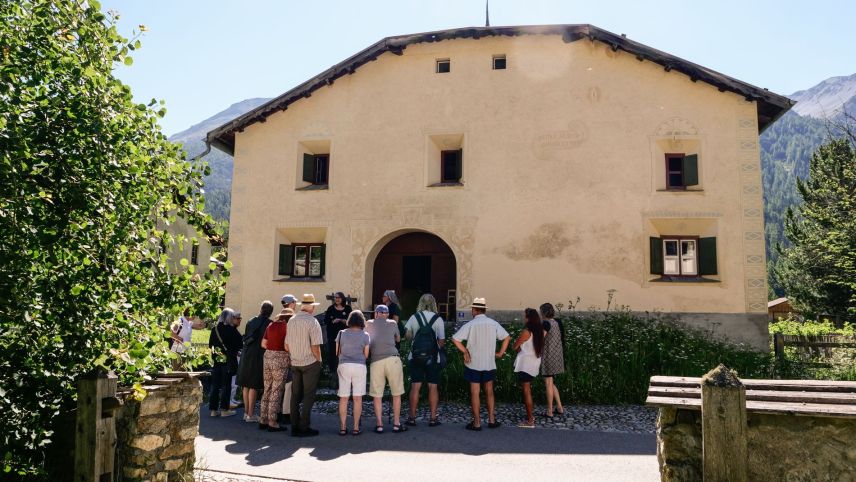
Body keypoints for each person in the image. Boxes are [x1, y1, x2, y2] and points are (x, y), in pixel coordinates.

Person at [451, 298, 510, 431]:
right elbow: (507, 337)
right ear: (484, 309)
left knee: (475, 393)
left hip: (473, 363)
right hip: (489, 362)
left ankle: (477, 422)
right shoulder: (493, 323)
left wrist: (465, 351)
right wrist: (500, 353)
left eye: (472, 308)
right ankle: (491, 419)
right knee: (489, 391)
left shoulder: (471, 324)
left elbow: (455, 339)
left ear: (474, 310)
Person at [284, 294, 323, 437]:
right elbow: (315, 347)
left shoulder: (291, 321)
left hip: (295, 362)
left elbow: (286, 346)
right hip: (309, 362)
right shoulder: (313, 322)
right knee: (308, 395)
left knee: (295, 395)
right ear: (311, 307)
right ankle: (304, 426)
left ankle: (294, 426)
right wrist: (319, 361)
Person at [404, 294, 445, 426]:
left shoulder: (413, 317)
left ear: (420, 303)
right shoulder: (438, 319)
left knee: (415, 386)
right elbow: (442, 341)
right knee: (433, 386)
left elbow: (408, 336)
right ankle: (433, 418)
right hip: (433, 358)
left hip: (415, 357)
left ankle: (412, 417)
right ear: (434, 303)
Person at [365, 304, 406, 433]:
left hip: (376, 360)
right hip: (393, 359)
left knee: (377, 395)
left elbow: (366, 339)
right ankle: (396, 424)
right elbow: (398, 339)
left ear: (376, 314)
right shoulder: (393, 323)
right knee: (396, 393)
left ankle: (379, 425)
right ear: (387, 314)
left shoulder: (369, 323)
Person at [236, 301, 273, 422]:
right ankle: (250, 414)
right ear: (270, 311)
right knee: (253, 385)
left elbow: (246, 336)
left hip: (247, 353)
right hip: (258, 355)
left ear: (261, 309)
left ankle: (246, 413)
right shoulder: (269, 324)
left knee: (246, 384)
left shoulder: (251, 321)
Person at [335, 310, 370, 435]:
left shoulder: (341, 333)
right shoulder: (365, 335)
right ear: (361, 321)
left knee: (343, 398)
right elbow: (366, 355)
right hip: (359, 366)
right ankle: (356, 427)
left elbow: (337, 353)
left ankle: (343, 427)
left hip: (344, 365)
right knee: (357, 398)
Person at [259, 308, 292, 431]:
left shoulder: (271, 325)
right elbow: (286, 346)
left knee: (267, 388)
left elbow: (263, 344)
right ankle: (272, 422)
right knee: (276, 390)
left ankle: (263, 419)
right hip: (280, 357)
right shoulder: (287, 327)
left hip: (267, 356)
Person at [513, 308, 545, 428]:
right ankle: (530, 415)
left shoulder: (526, 332)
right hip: (534, 362)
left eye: (525, 316)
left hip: (525, 364)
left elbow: (515, 346)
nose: (524, 318)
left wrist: (520, 349)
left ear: (529, 318)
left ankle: (530, 420)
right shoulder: (539, 331)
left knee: (526, 392)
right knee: (528, 390)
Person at [208, 308, 243, 417]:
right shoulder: (232, 330)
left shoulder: (215, 329)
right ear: (229, 318)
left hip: (217, 359)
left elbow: (210, 345)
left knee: (215, 385)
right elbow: (239, 345)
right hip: (228, 361)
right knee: (226, 385)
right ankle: (224, 409)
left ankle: (213, 410)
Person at [539, 303, 565, 417]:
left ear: (544, 313)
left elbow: (540, 339)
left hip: (548, 355)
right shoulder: (558, 322)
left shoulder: (545, 323)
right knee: (551, 382)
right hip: (557, 355)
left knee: (548, 383)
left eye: (540, 312)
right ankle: (559, 407)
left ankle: (549, 411)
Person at [324, 292, 352, 389]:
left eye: (339, 298)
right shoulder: (331, 309)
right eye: (336, 298)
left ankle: (345, 378)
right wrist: (333, 321)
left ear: (343, 299)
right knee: (333, 356)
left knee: (344, 356)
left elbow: (352, 321)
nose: (337, 299)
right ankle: (333, 378)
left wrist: (345, 321)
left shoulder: (348, 309)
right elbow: (326, 321)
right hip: (333, 337)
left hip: (346, 337)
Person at [279, 294, 298, 424]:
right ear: (291, 304)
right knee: (288, 385)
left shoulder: (279, 320)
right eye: (295, 302)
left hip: (276, 357)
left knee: (280, 385)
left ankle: (279, 411)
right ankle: (286, 412)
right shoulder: (291, 321)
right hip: (287, 355)